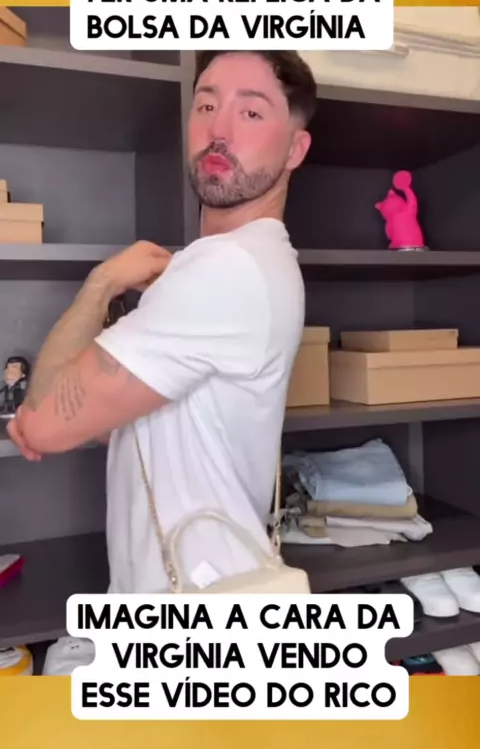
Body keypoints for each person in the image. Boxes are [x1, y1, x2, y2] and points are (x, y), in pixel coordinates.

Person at [8, 50, 316, 596]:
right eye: (206, 105)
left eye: (250, 112)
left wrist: (102, 282)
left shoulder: (229, 268)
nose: (218, 130)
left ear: (295, 148)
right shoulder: (243, 263)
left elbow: (41, 425)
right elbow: (106, 424)